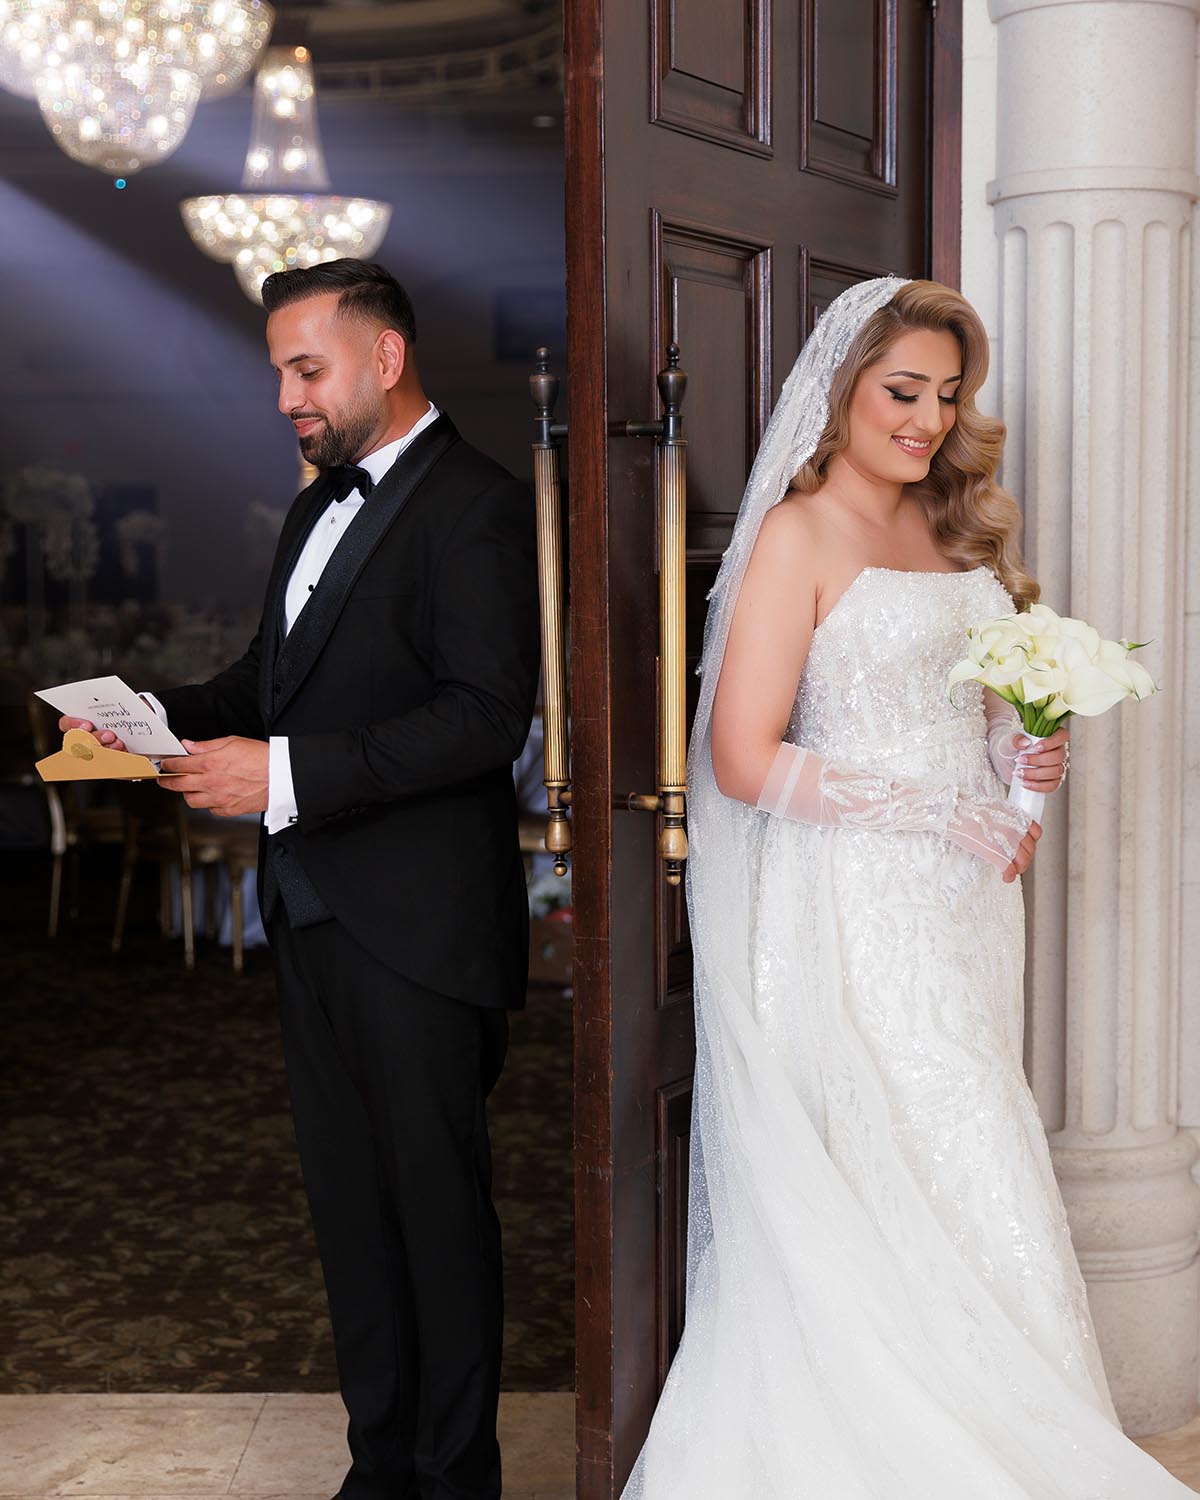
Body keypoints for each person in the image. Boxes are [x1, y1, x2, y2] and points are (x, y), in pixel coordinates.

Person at [619, 277, 1191, 1497]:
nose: (928, 419)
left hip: (962, 910)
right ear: (841, 393)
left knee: (968, 1140)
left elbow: (965, 717)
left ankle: (1011, 1424)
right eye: (902, 392)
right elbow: (742, 756)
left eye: (947, 394)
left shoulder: (954, 529)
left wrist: (1019, 754)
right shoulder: (800, 533)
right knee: (916, 1137)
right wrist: (939, 809)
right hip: (849, 908)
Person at [61, 259, 540, 1500]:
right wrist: (145, 717)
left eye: (306, 368)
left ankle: (455, 1479)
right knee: (352, 1219)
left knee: (436, 1221)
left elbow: (485, 718)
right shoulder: (310, 509)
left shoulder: (476, 504)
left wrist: (278, 776)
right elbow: (267, 680)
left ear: (385, 360)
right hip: (315, 915)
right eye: (279, 369)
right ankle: (379, 1470)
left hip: (423, 930)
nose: (285, 395)